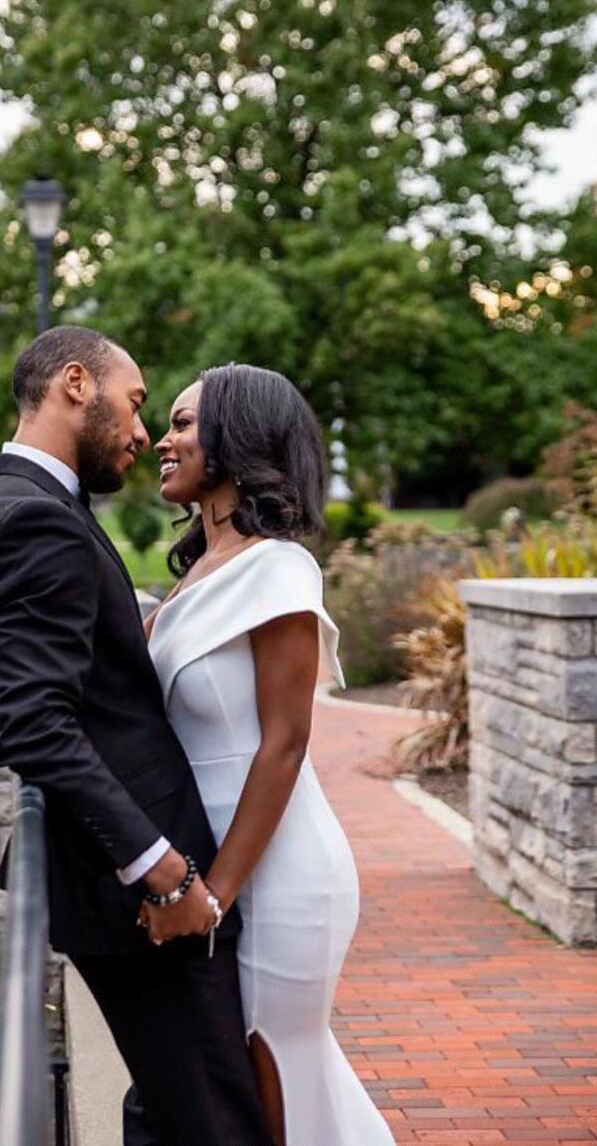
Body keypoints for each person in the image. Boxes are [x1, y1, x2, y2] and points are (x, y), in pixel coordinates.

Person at [0, 327, 273, 1146]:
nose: (140, 432)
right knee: (216, 1121)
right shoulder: (37, 520)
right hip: (139, 894)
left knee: (165, 1107)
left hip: (108, 882)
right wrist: (160, 867)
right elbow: (30, 722)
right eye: (133, 404)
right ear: (76, 384)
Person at [143, 363, 397, 1146]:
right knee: (261, 1084)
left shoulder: (278, 567)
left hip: (279, 873)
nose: (161, 440)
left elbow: (284, 744)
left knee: (274, 1073)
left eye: (183, 423)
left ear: (236, 436)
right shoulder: (197, 573)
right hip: (215, 864)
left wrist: (212, 894)